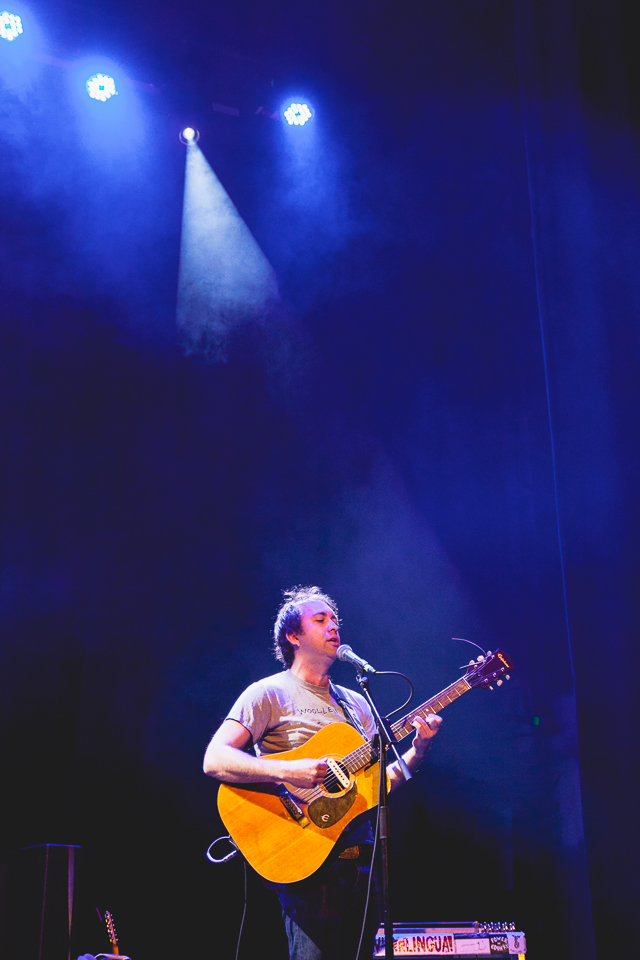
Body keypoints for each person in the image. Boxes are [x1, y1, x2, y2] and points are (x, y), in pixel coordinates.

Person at [203, 586, 442, 960]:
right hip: (306, 856)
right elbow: (215, 759)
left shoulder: (357, 704)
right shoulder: (268, 693)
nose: (334, 627)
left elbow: (382, 783)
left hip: (360, 860)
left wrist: (419, 748)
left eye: (335, 620)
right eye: (321, 620)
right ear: (293, 636)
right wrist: (289, 770)